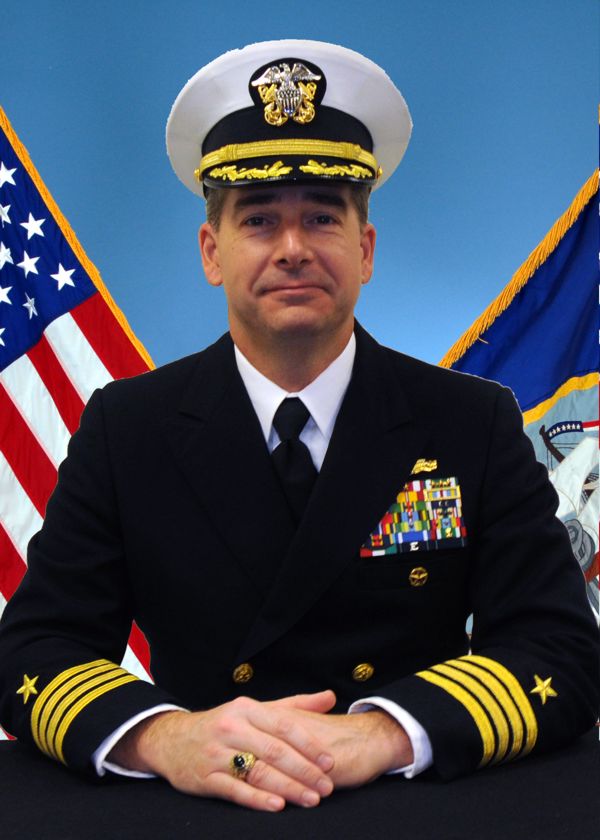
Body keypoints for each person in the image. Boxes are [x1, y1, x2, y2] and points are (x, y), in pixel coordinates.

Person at [0, 39, 598, 813]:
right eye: (258, 221)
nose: (292, 250)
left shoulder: (469, 421)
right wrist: (165, 737)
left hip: (406, 804)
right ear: (212, 253)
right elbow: (35, 648)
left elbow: (559, 649)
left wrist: (383, 731)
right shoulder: (128, 429)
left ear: (365, 249)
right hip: (198, 808)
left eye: (322, 217)